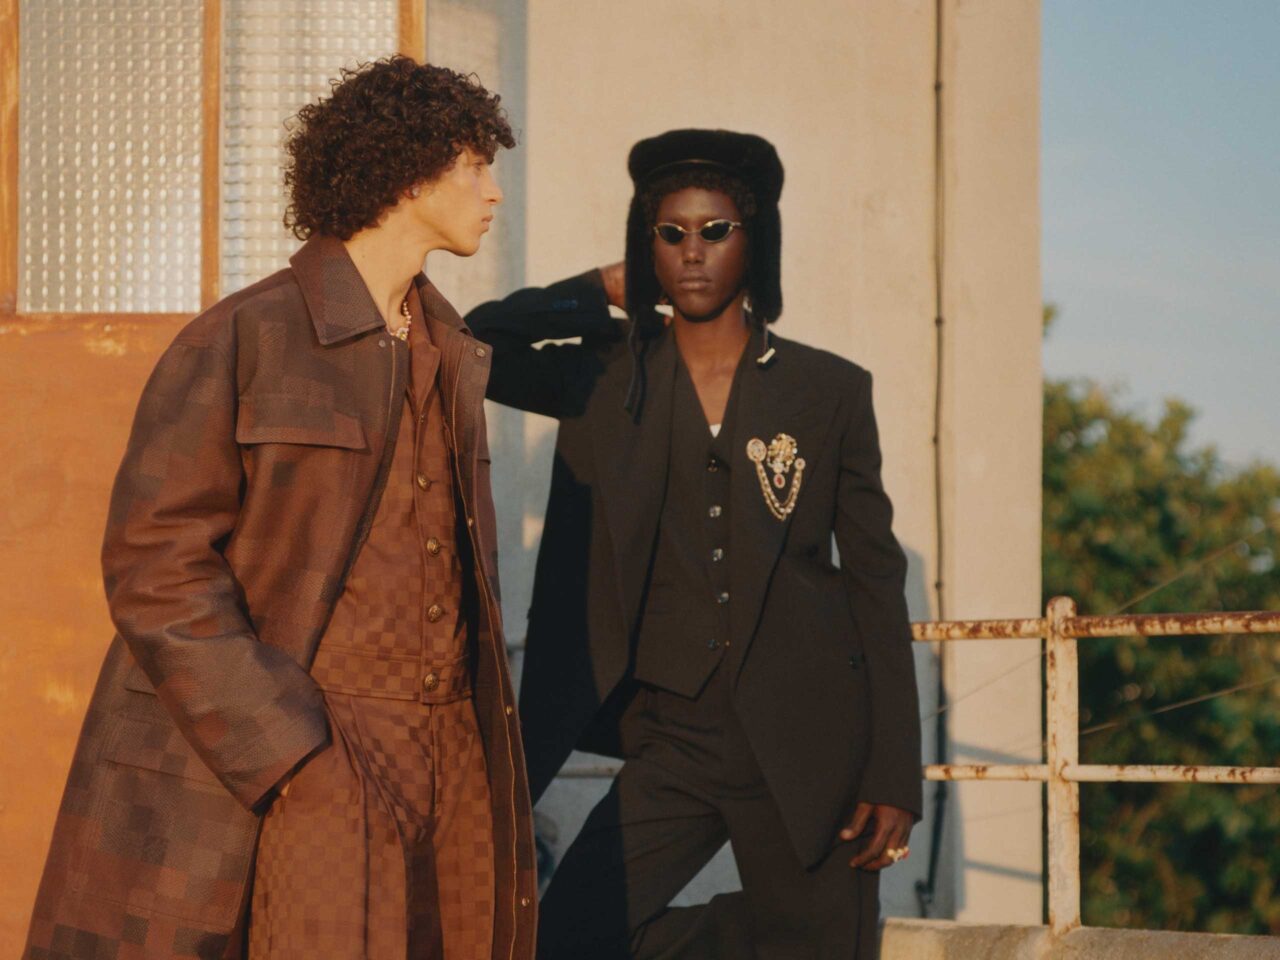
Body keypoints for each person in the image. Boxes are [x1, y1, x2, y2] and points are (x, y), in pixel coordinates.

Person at [24, 56, 537, 960]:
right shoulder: (244, 336)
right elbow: (155, 567)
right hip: (321, 738)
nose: (493, 192)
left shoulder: (451, 347)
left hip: (453, 753)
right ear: (409, 175)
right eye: (473, 166)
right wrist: (285, 744)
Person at [466, 128, 923, 958]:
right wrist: (598, 289)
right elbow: (473, 343)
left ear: (754, 241)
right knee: (561, 942)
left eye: (715, 231)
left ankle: (809, 930)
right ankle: (791, 932)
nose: (692, 252)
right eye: (669, 233)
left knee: (825, 948)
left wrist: (894, 773)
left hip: (807, 738)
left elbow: (874, 584)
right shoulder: (606, 372)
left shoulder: (829, 391)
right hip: (673, 738)